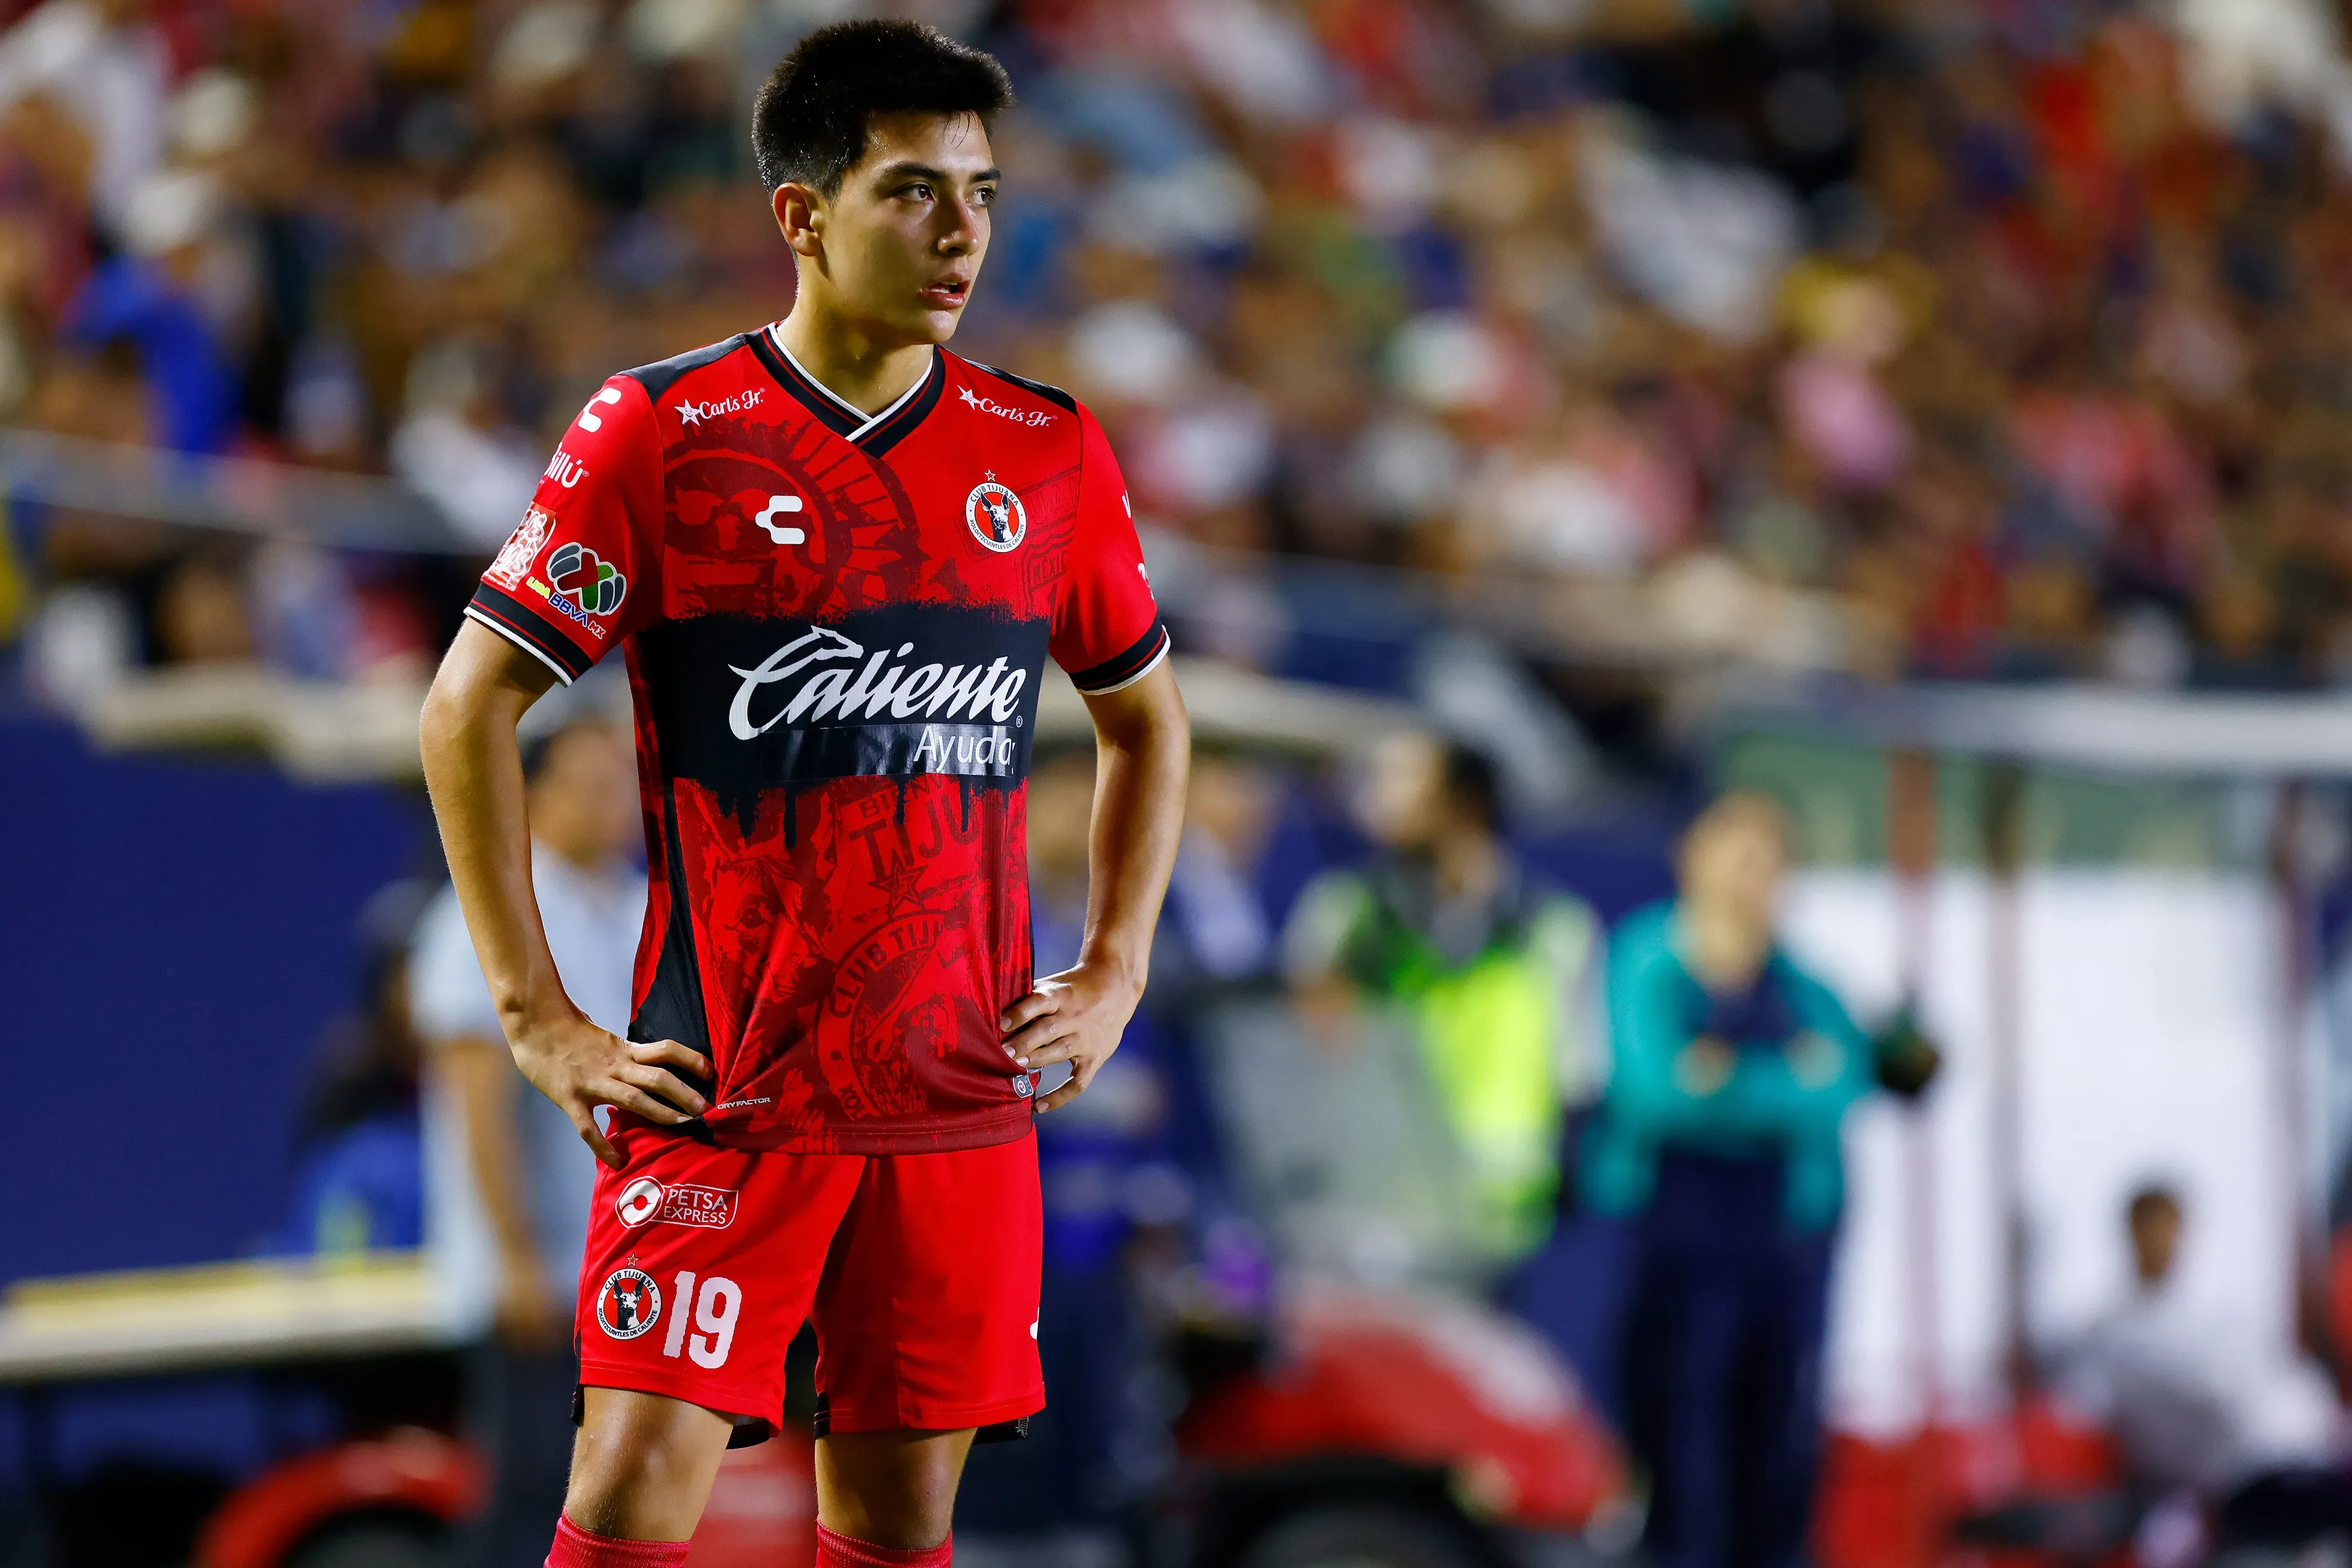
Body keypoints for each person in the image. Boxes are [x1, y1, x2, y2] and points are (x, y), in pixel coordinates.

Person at [414, 22, 1190, 1568]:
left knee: (897, 1521)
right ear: (801, 213)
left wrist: (1113, 967)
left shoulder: (1044, 451)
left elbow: (1147, 723)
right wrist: (537, 1015)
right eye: (913, 189)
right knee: (632, 1492)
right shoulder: (662, 433)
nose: (962, 228)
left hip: (957, 1101)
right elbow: (465, 710)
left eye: (979, 190)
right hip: (727, 1088)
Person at [1581, 791, 1875, 1568]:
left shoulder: (1807, 986)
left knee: (1777, 1452)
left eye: (1771, 860)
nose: (1756, 876)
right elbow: (1654, 1092)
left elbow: (1842, 1085)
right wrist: (1782, 1083)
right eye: (1739, 854)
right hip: (1675, 1246)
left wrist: (1724, 1080)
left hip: (1781, 1248)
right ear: (1694, 859)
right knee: (1681, 1447)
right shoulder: (1646, 961)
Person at [409, 716, 647, 1568]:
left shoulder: (626, 903)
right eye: (593, 783)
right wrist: (511, 1256)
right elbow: (473, 1098)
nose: (615, 802)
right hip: (533, 1275)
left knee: (603, 1497)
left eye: (623, 781)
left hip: (618, 1262)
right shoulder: (489, 909)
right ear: (533, 792)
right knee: (526, 1496)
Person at [1286, 731, 1604, 1264]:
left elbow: (1579, 1077)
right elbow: (1299, 1055)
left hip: (1494, 1224)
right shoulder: (1342, 914)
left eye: (1402, 780)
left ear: (1465, 803)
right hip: (1361, 1212)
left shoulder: (1557, 929)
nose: (1376, 800)